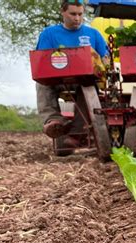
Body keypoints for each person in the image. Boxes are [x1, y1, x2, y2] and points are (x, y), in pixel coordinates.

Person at [35, 0, 109, 140]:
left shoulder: (93, 34)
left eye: (80, 14)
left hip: (84, 79)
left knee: (88, 87)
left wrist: (103, 60)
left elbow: (105, 57)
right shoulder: (49, 34)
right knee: (42, 84)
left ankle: (77, 130)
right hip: (57, 79)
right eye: (73, 14)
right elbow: (42, 59)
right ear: (63, 12)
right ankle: (54, 121)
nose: (77, 18)